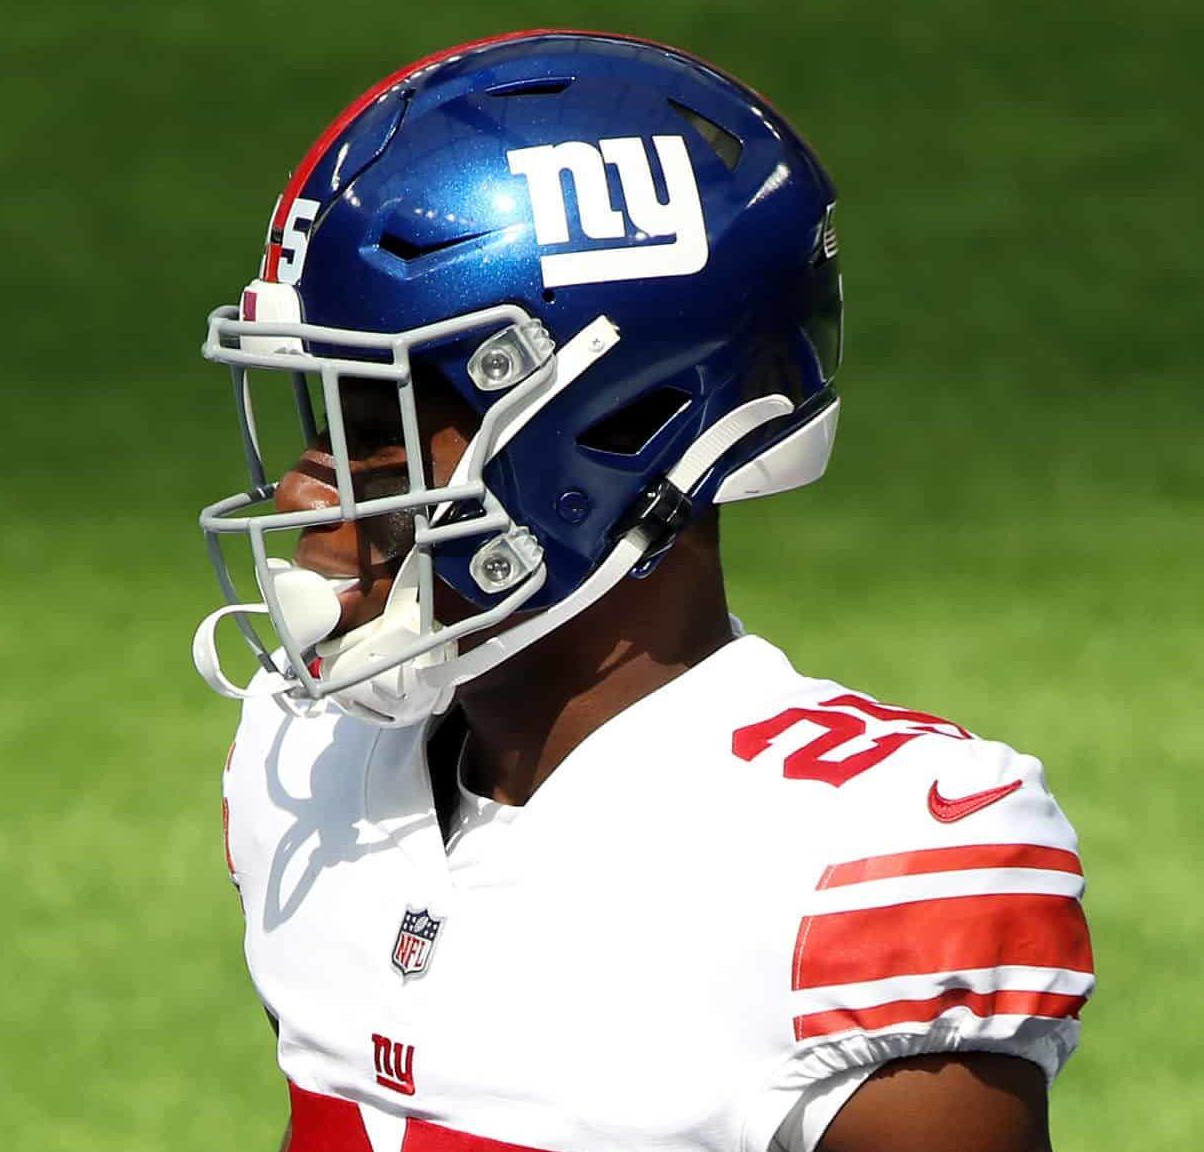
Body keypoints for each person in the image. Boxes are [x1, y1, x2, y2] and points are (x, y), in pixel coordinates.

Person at [189, 29, 1092, 1152]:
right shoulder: (304, 764)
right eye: (314, 419)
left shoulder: (862, 855)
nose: (301, 490)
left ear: (612, 430)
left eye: (376, 429)